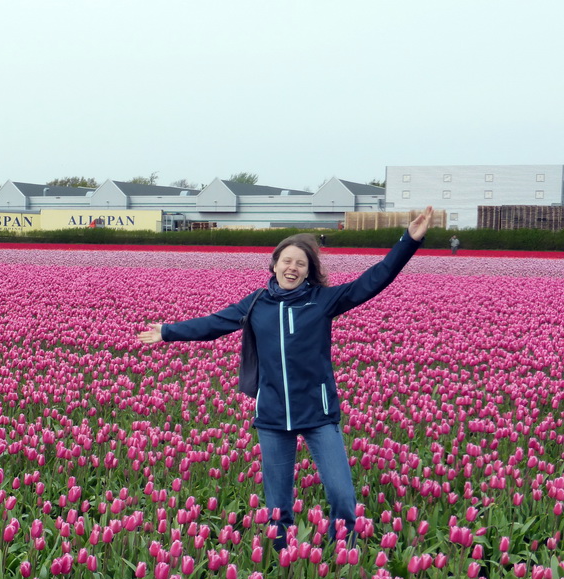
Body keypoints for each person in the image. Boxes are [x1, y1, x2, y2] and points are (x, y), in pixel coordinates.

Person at [138, 207, 433, 550]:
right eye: (286, 261)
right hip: (274, 416)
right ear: (274, 264)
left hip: (318, 413)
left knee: (341, 496)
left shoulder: (323, 301)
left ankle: (344, 556)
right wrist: (169, 332)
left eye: (300, 264)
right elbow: (213, 324)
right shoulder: (256, 304)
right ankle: (282, 562)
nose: (292, 268)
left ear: (309, 272)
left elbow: (375, 278)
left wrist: (408, 241)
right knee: (277, 507)